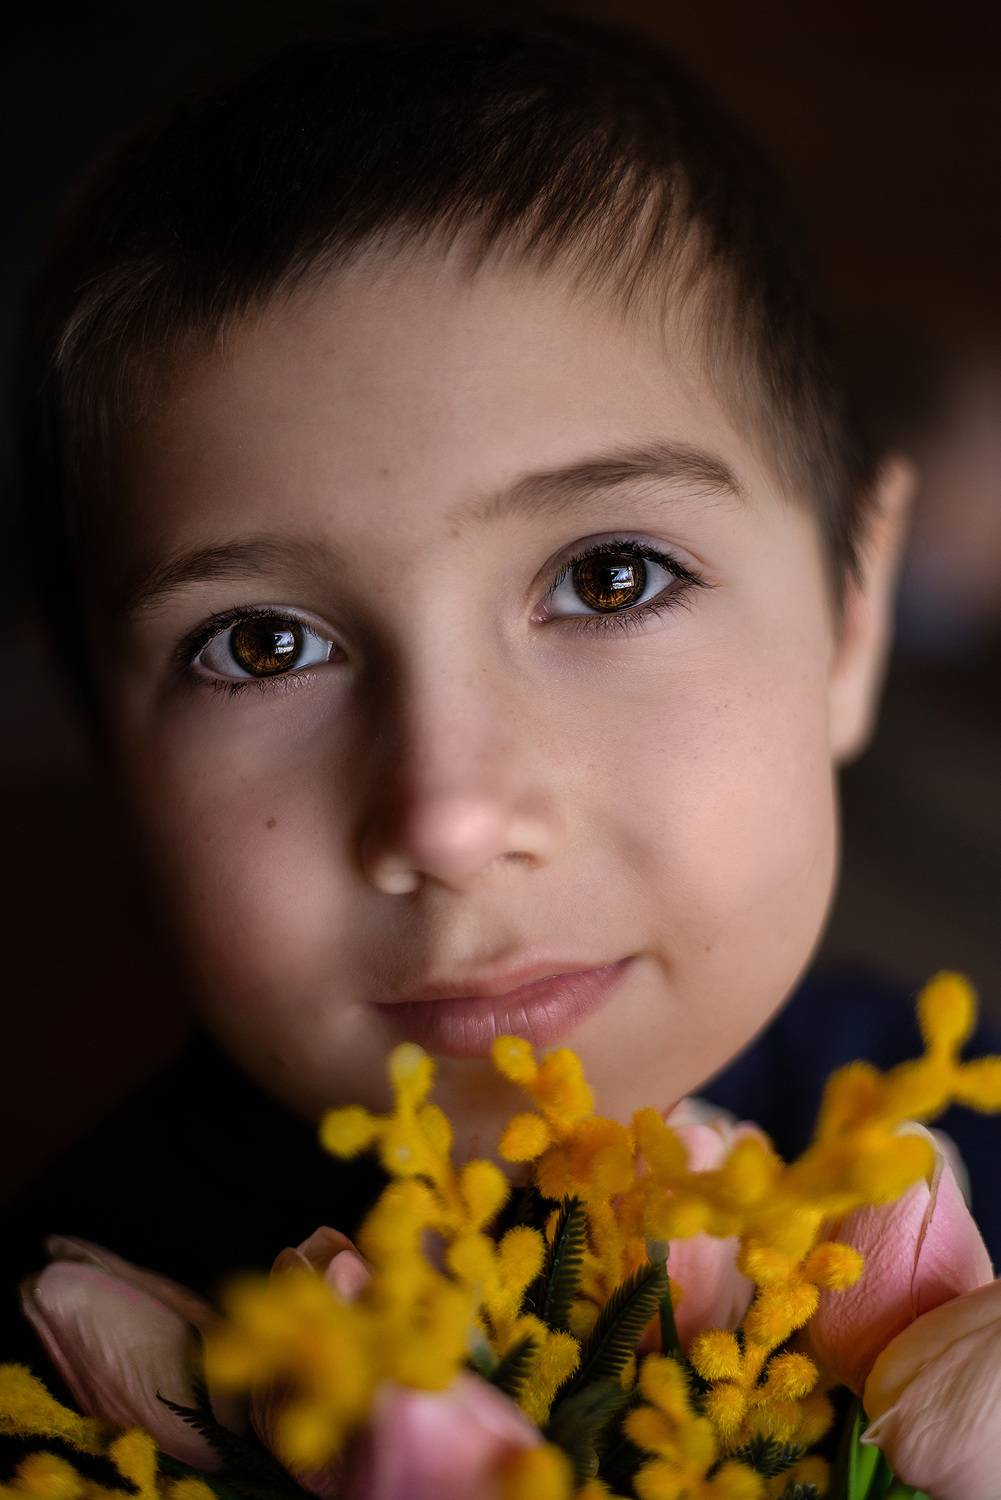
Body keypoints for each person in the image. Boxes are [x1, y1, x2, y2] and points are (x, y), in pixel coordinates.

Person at [4, 7, 997, 1391]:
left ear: (850, 618)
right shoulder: (63, 1364)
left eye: (608, 578)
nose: (450, 817)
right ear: (109, 751)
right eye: (264, 647)